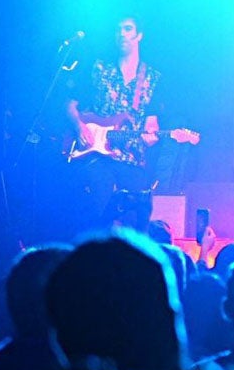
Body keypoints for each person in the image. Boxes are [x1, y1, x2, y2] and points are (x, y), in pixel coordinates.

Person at [65, 15, 165, 226]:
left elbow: (151, 124)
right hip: (97, 157)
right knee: (96, 214)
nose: (121, 34)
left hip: (132, 159)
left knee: (136, 221)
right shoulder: (99, 69)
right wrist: (79, 126)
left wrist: (151, 137)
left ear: (139, 35)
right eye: (118, 29)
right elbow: (70, 104)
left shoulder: (152, 78)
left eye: (128, 29)